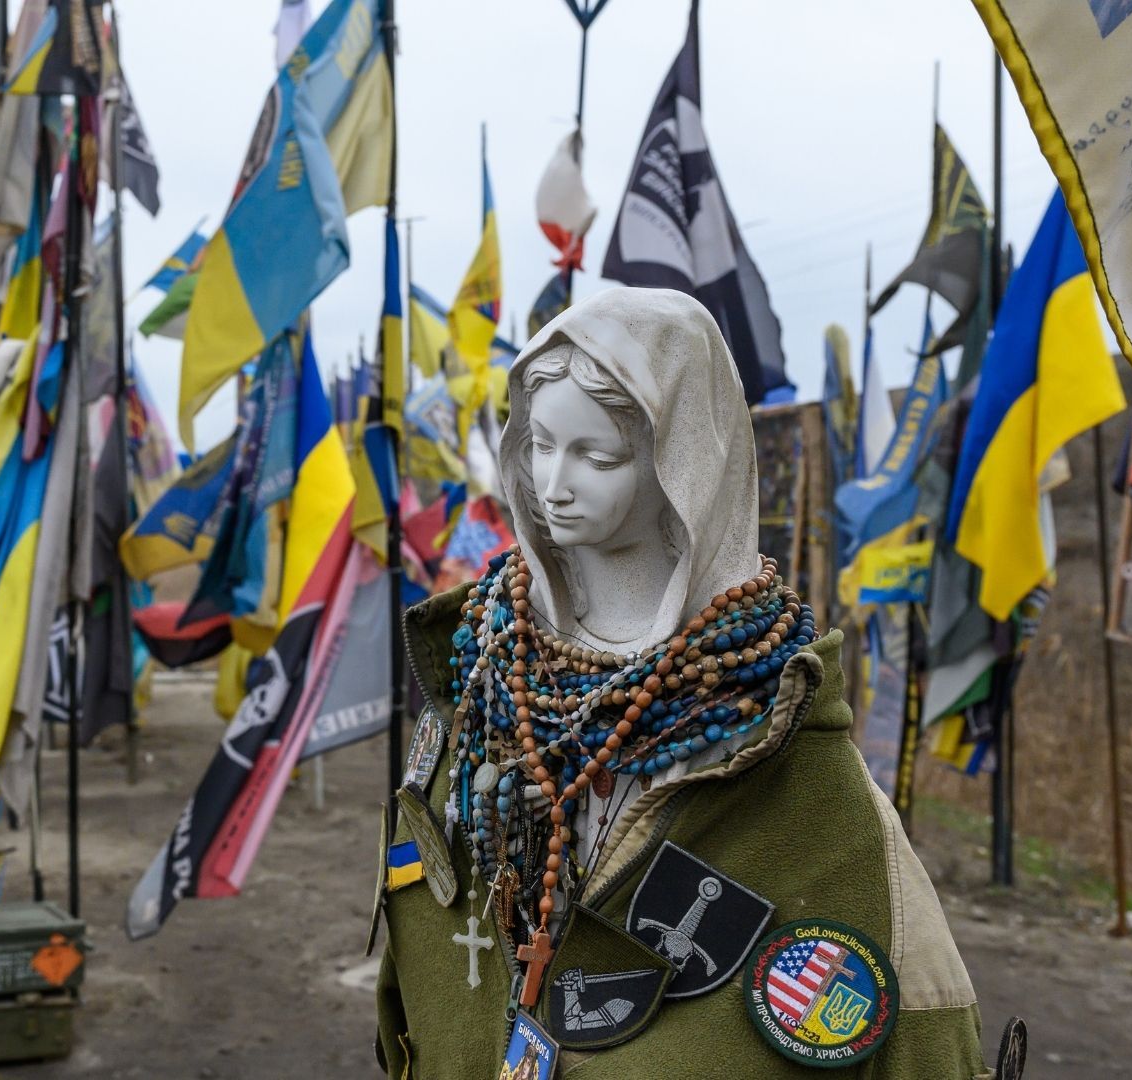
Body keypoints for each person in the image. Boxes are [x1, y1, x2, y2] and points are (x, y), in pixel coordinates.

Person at [373, 288, 987, 1077]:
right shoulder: (479, 676)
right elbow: (414, 985)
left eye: (596, 456)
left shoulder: (804, 783)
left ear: (683, 465)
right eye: (541, 443)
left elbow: (923, 1043)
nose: (554, 483)